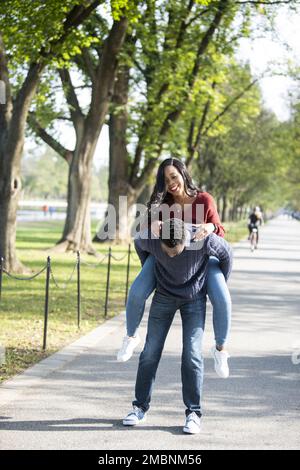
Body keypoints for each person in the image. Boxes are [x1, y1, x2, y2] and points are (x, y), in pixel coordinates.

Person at [117, 158, 231, 378]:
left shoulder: (204, 199)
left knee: (223, 298)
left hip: (202, 257)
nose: (170, 183)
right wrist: (152, 224)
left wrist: (209, 226)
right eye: (165, 179)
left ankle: (221, 350)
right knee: (137, 291)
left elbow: (221, 232)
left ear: (183, 174)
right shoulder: (162, 203)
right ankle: (131, 337)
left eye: (173, 176)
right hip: (166, 257)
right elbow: (142, 233)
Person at [122, 218, 233, 433]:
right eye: (167, 250)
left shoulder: (202, 238)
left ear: (187, 240)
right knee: (150, 352)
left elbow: (227, 254)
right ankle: (139, 408)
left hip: (194, 299)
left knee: (192, 354)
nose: (171, 254)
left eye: (177, 250)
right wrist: (148, 266)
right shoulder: (154, 238)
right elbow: (138, 243)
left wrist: (219, 281)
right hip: (163, 296)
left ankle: (193, 413)